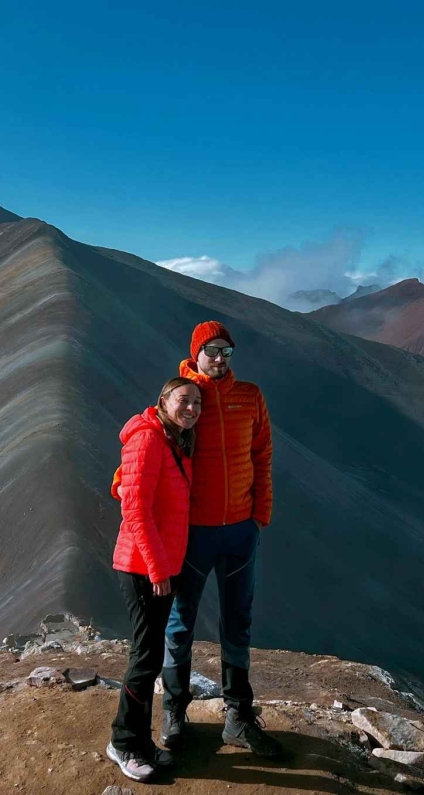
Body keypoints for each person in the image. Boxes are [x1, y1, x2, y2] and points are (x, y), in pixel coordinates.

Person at [161, 320, 283, 758]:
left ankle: (237, 718)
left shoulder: (250, 396)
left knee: (238, 621)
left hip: (239, 531)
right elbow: (151, 441)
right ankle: (174, 715)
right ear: (195, 352)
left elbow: (262, 454)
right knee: (180, 623)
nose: (218, 358)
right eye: (210, 350)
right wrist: (126, 482)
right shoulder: (184, 398)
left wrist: (259, 516)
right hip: (193, 534)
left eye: (226, 352)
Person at [106, 376, 202, 781]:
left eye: (197, 402)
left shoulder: (171, 440)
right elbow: (136, 512)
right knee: (145, 657)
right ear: (163, 401)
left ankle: (139, 742)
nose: (192, 408)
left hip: (160, 565)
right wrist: (159, 569)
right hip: (143, 568)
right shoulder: (147, 440)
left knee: (149, 654)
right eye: (184, 400)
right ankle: (125, 744)